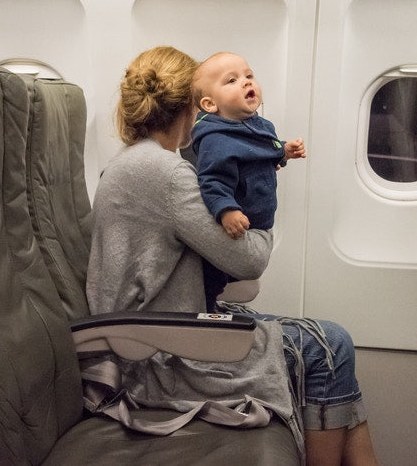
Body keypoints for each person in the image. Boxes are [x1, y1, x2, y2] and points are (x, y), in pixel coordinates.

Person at [85, 46, 380, 466]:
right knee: (329, 346)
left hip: (152, 334)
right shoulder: (166, 174)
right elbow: (249, 260)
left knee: (330, 341)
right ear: (192, 105)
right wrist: (260, 190)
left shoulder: (133, 162)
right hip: (157, 356)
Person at [191, 52, 305, 310]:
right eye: (231, 80)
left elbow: (263, 153)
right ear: (210, 105)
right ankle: (207, 312)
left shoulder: (260, 125)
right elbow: (211, 180)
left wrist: (284, 152)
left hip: (257, 223)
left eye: (249, 75)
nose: (245, 82)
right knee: (212, 283)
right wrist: (227, 211)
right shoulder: (215, 139)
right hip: (236, 224)